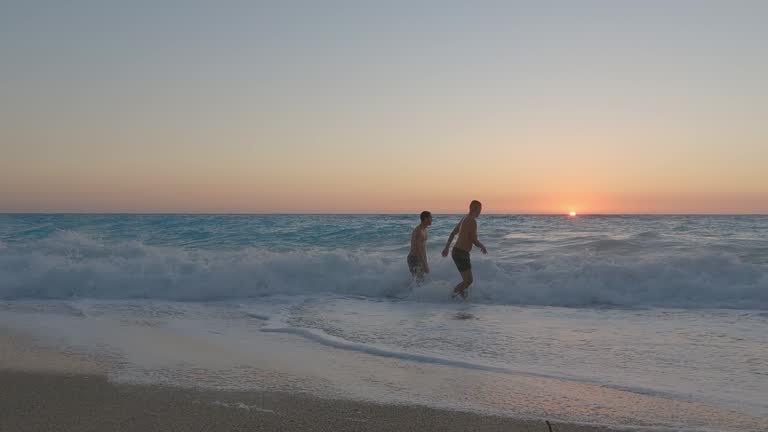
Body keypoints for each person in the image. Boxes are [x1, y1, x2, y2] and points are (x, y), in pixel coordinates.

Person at [442, 200, 487, 299]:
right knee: (468, 280)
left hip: (456, 251)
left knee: (465, 280)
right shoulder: (472, 221)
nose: (480, 211)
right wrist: (482, 246)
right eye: (480, 209)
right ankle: (451, 298)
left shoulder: (464, 218)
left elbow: (453, 233)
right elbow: (474, 240)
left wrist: (446, 248)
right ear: (476, 209)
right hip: (461, 253)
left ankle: (462, 303)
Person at [407, 211, 432, 281]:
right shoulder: (419, 231)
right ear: (426, 218)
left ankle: (407, 290)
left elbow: (423, 248)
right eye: (430, 217)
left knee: (420, 281)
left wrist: (425, 261)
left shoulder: (424, 230)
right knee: (419, 281)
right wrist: (424, 264)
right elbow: (419, 249)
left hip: (419, 258)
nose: (432, 219)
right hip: (414, 259)